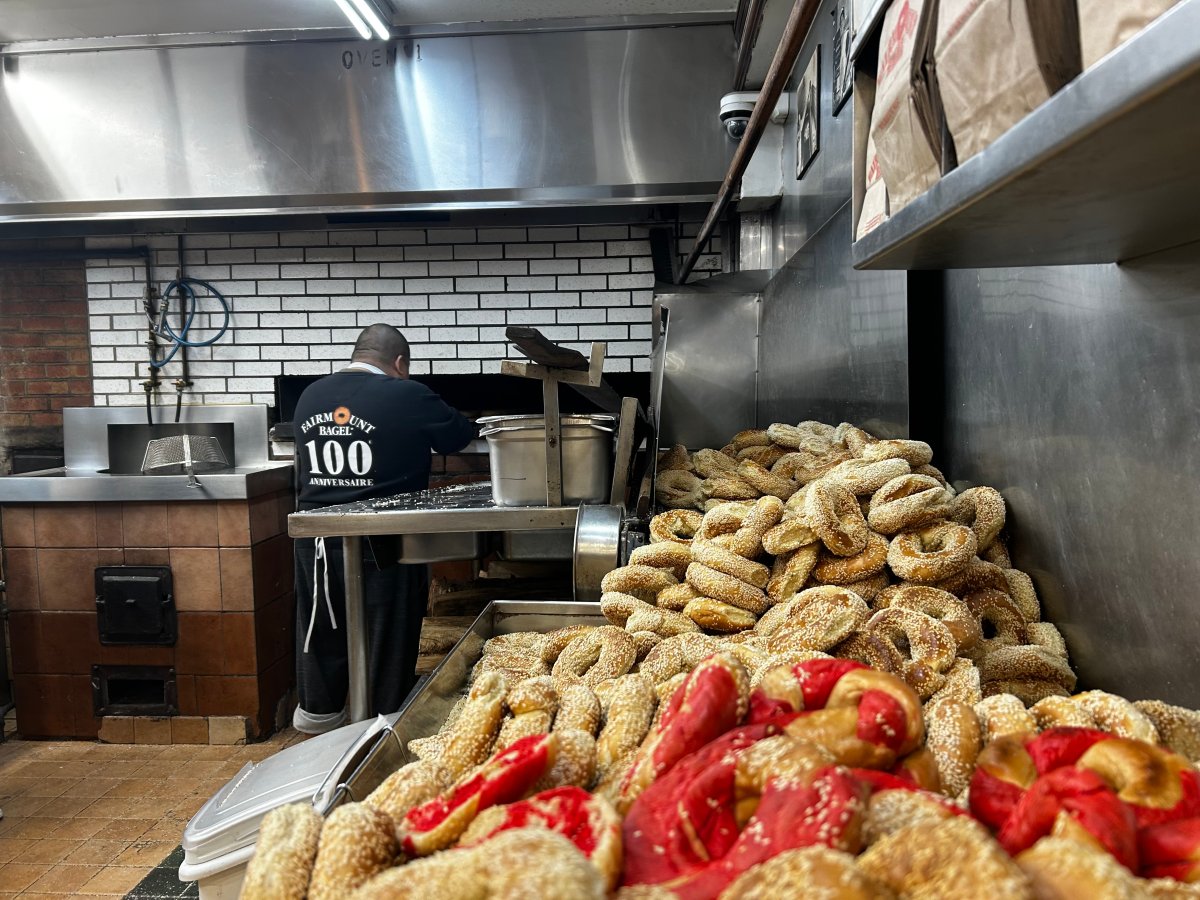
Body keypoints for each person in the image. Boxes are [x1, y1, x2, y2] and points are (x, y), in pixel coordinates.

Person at [291, 324, 476, 734]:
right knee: (388, 637)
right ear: (399, 363)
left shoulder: (309, 395)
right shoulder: (408, 394)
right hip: (386, 539)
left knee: (322, 630)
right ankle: (380, 728)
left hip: (316, 540)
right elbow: (459, 437)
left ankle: (321, 727)